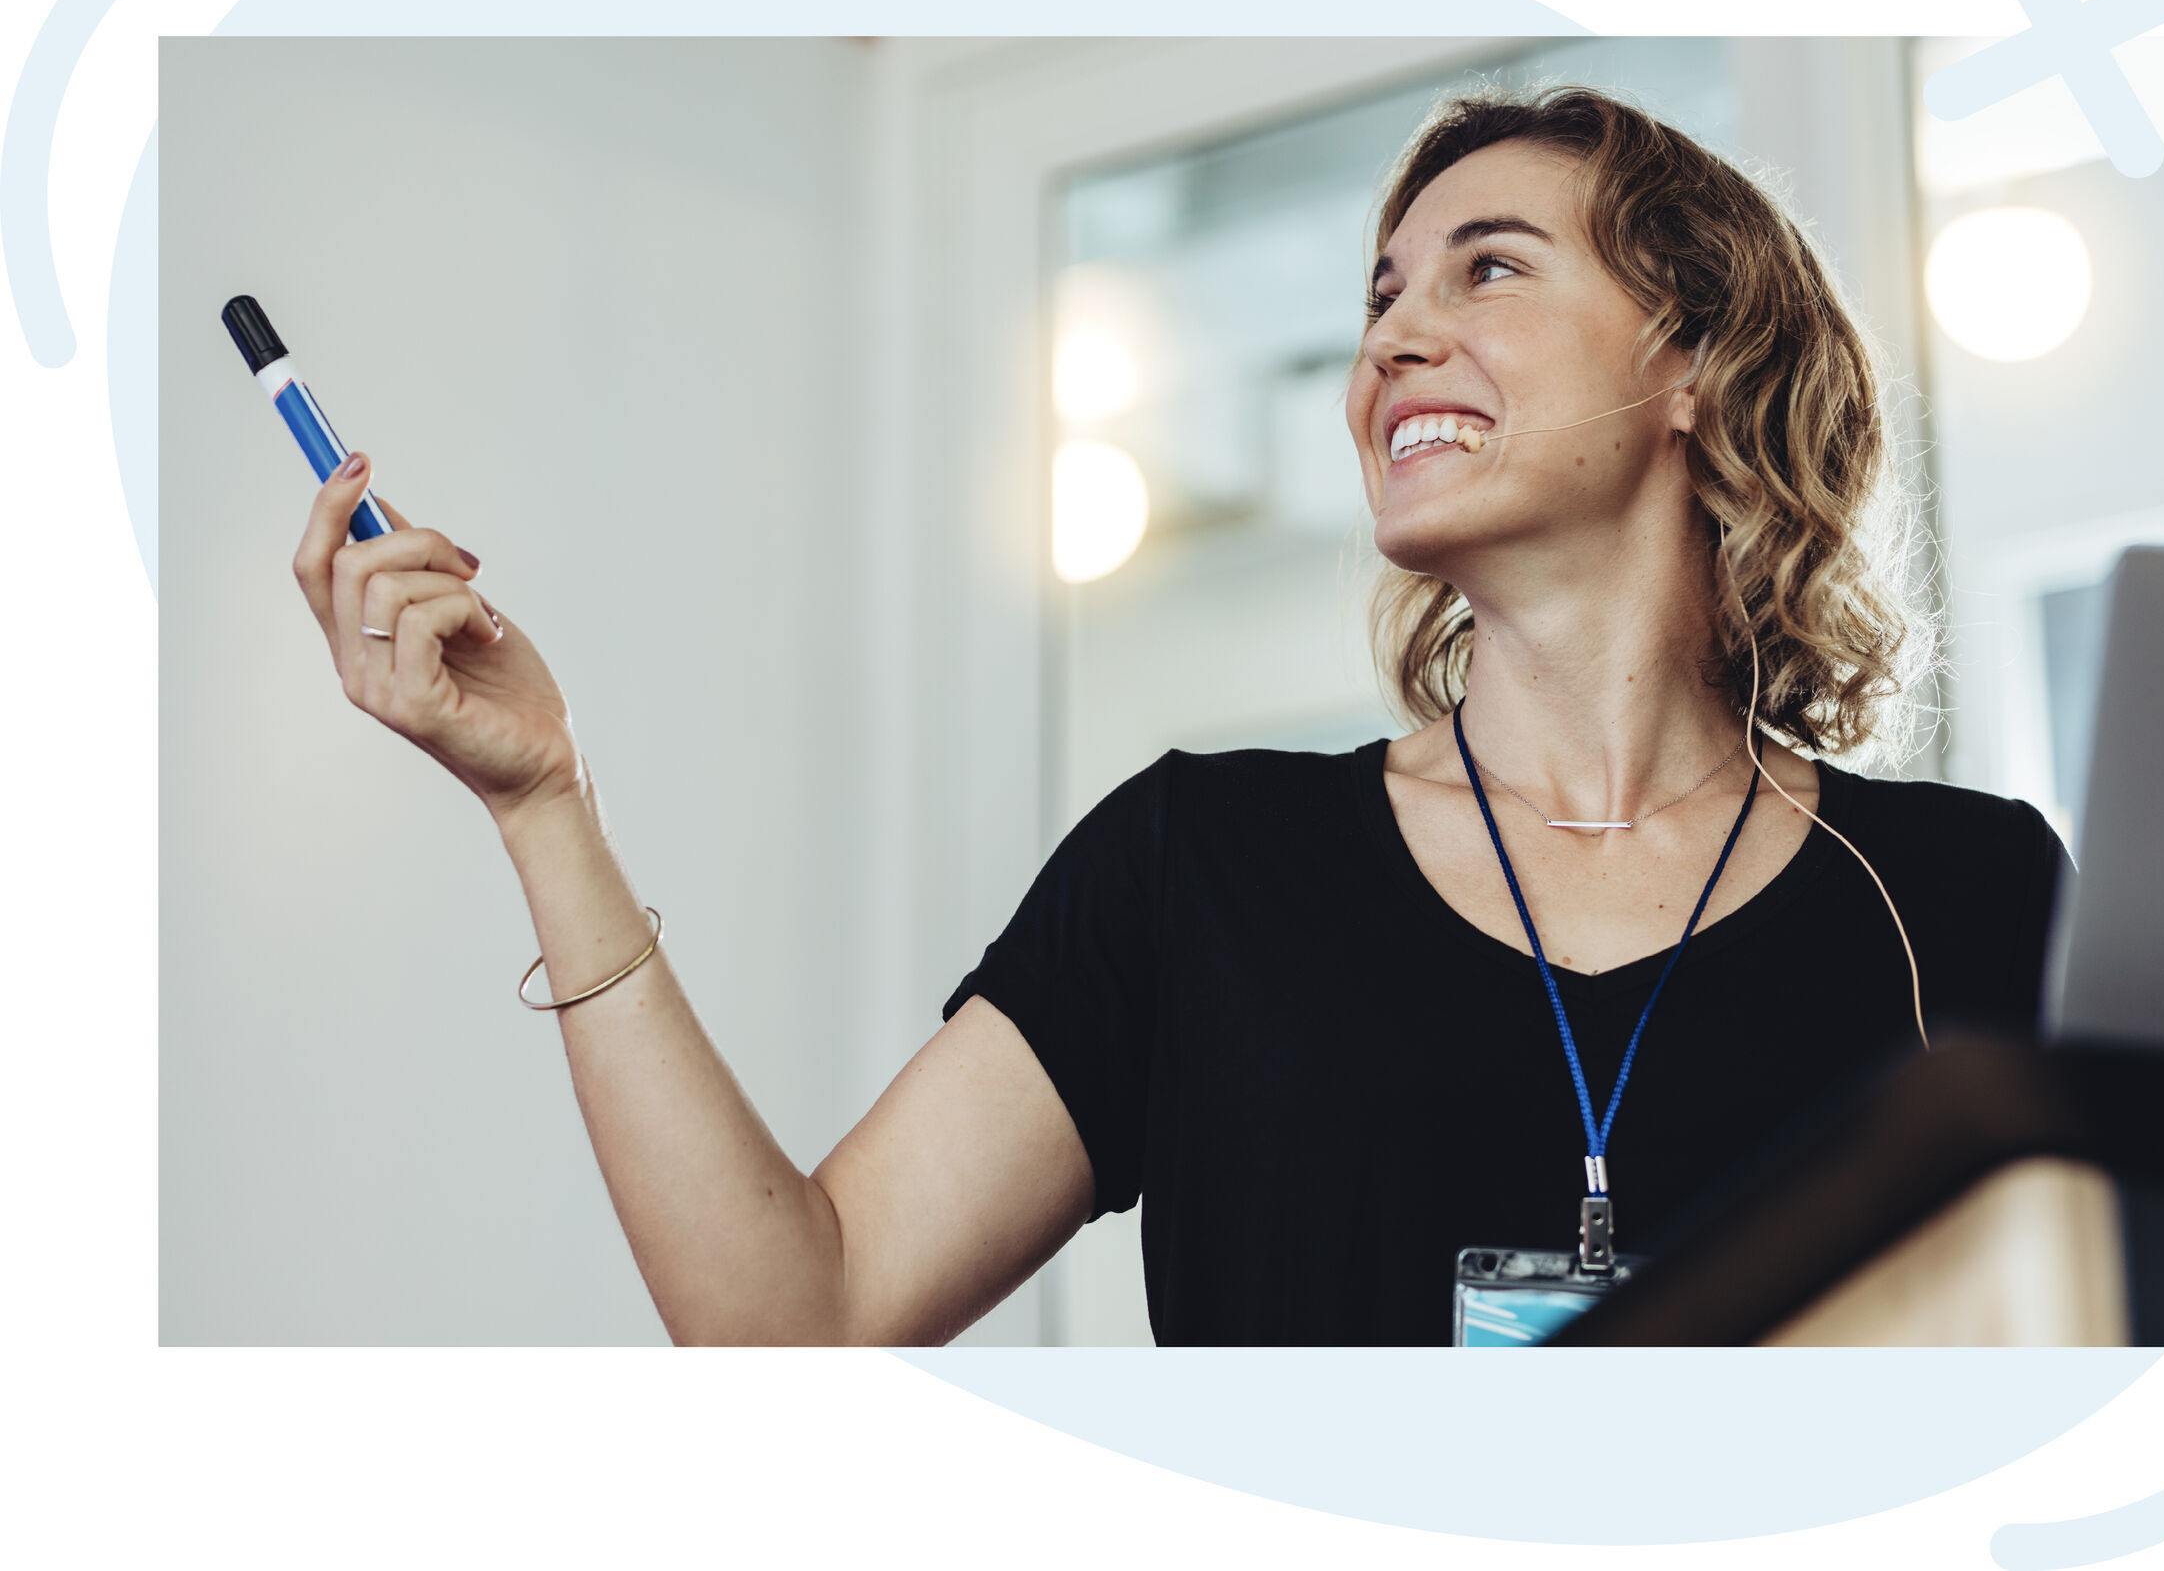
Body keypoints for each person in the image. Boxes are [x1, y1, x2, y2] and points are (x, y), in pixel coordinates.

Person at [291, 86, 2064, 1347]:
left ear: (1693, 356)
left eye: (1488, 270)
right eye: (1380, 294)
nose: (1392, 342)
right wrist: (544, 805)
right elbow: (792, 1318)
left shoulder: (1969, 896)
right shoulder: (1201, 863)